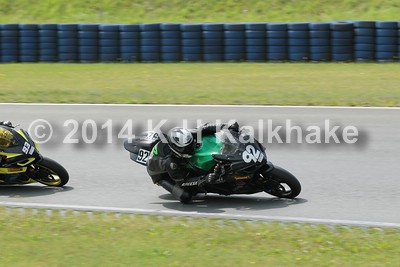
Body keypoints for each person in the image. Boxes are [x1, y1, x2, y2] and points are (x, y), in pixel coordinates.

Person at [147, 122, 239, 200]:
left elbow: (204, 128)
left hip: (169, 154)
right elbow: (183, 182)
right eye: (187, 149)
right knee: (186, 196)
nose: (191, 148)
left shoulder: (186, 136)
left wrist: (225, 126)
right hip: (159, 174)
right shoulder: (171, 163)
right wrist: (204, 179)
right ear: (176, 152)